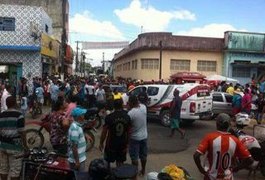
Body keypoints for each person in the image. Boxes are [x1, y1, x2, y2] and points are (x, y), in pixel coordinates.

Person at [193, 113, 253, 180]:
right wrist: (236, 169)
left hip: (211, 177)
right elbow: (250, 160)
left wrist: (201, 170)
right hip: (228, 177)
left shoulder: (210, 137)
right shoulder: (235, 140)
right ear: (228, 125)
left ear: (217, 124)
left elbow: (196, 156)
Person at [99, 99, 131, 167]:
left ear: (114, 106)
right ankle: (119, 176)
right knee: (120, 163)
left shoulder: (109, 117)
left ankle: (108, 175)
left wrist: (101, 143)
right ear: (122, 105)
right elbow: (129, 132)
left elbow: (104, 132)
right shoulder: (127, 116)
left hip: (111, 144)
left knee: (107, 162)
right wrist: (127, 144)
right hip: (122, 143)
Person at [0, 96, 26, 180]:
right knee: (15, 171)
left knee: (3, 170)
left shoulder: (1, 115)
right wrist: (25, 146)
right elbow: (22, 132)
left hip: (3, 145)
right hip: (15, 146)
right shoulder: (19, 115)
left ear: (6, 104)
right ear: (15, 103)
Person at [128, 95, 148, 176]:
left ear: (131, 103)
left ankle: (134, 174)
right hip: (144, 136)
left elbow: (128, 127)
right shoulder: (144, 107)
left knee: (134, 157)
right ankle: (143, 171)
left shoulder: (130, 113)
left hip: (134, 138)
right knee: (143, 155)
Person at [68, 107, 87, 177]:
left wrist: (85, 136)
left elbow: (78, 135)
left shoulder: (77, 126)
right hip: (77, 159)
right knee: (79, 177)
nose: (84, 116)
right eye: (83, 115)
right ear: (79, 116)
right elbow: (74, 147)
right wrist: (77, 161)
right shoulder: (75, 128)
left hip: (80, 158)